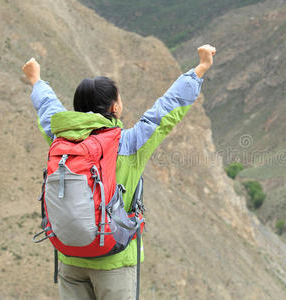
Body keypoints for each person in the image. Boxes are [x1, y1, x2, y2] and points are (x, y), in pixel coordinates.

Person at [22, 44, 216, 300]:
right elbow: (165, 110)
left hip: (69, 257)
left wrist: (36, 79)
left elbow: (48, 109)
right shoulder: (129, 143)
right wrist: (200, 68)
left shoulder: (61, 139)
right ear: (115, 108)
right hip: (114, 260)